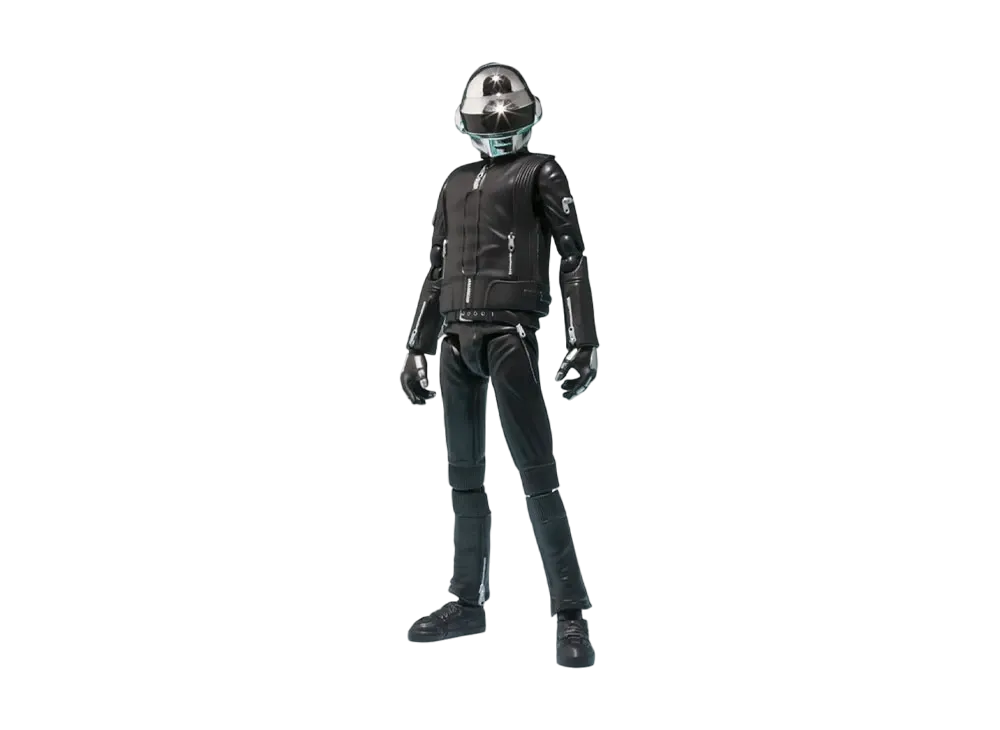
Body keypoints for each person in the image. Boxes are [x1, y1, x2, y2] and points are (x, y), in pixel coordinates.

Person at [400, 64, 600, 668]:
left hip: (509, 334)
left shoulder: (540, 173)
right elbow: (437, 269)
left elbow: (571, 258)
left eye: (505, 118)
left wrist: (581, 340)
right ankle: (464, 602)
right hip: (455, 338)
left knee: (537, 472)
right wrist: (416, 343)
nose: (497, 127)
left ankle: (570, 614)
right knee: (464, 473)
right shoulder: (455, 185)